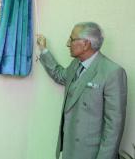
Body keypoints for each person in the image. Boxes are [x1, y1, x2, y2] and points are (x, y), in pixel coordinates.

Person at [36, 22, 127, 159]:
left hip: (92, 154)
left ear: (86, 44)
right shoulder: (76, 65)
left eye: (72, 39)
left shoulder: (112, 72)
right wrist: (44, 50)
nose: (67, 43)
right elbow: (60, 75)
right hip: (69, 150)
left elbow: (114, 127)